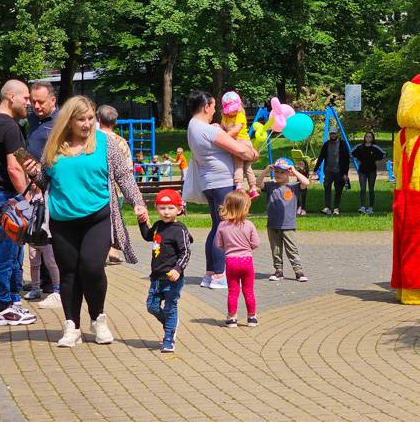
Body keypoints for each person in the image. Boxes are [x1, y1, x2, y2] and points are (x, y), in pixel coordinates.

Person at [24, 96, 148, 346]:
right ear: (69, 121)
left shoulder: (104, 142)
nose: (88, 124)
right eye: (82, 119)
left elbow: (124, 175)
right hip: (62, 220)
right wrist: (34, 173)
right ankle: (72, 327)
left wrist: (138, 201)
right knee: (68, 274)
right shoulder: (54, 146)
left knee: (91, 268)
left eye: (91, 118)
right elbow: (45, 182)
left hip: (97, 217)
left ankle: (98, 319)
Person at [186, 90, 258, 289]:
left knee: (216, 227)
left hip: (209, 181)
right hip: (222, 182)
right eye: (214, 107)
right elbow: (240, 149)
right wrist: (251, 152)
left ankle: (210, 274)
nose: (216, 111)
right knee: (225, 227)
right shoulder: (208, 130)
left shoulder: (193, 127)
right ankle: (219, 275)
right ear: (206, 107)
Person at [0, 80, 36, 325]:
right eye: (26, 99)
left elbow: (17, 154)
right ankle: (3, 307)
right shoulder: (10, 127)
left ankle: (12, 302)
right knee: (6, 254)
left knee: (9, 252)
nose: (29, 103)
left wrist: (37, 169)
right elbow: (14, 168)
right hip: (6, 197)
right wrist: (28, 197)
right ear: (12, 97)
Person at [139, 189, 192, 352]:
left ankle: (168, 339)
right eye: (162, 208)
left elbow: (186, 252)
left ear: (179, 210)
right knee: (151, 307)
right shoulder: (158, 226)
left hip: (172, 278)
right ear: (156, 209)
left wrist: (178, 268)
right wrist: (142, 222)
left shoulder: (180, 230)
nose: (166, 212)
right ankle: (170, 322)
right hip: (156, 277)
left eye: (170, 208)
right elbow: (148, 236)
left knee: (170, 307)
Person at [24, 81, 60, 303]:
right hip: (33, 183)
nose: (35, 106)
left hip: (51, 183)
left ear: (53, 100)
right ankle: (42, 283)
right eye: (33, 101)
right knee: (37, 235)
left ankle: (57, 284)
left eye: (41, 102)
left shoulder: (60, 122)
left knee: (51, 238)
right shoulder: (32, 118)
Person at [258, 158, 310, 282]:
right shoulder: (270, 186)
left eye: (282, 172)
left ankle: (299, 271)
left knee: (292, 249)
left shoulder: (294, 187)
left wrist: (294, 170)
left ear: (289, 174)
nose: (278, 174)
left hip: (288, 224)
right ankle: (278, 271)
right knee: (276, 249)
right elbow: (257, 183)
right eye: (276, 171)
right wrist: (266, 170)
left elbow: (306, 182)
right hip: (272, 224)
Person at [215, 190, 260, 327]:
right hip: (247, 261)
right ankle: (252, 317)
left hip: (231, 261)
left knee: (233, 291)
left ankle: (232, 317)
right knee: (249, 290)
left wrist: (229, 249)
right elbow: (256, 243)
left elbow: (219, 244)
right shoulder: (249, 225)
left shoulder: (222, 225)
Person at [98, 105, 132, 265]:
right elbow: (128, 169)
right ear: (115, 121)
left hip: (97, 187)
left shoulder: (94, 139)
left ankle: (102, 250)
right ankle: (111, 248)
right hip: (116, 189)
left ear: (98, 120)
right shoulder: (121, 142)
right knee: (114, 218)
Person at [220, 91, 259, 199]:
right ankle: (253, 189)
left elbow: (236, 130)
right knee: (247, 167)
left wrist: (225, 138)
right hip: (237, 142)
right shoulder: (225, 118)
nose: (234, 111)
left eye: (235, 108)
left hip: (242, 142)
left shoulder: (240, 115)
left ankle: (239, 186)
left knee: (238, 165)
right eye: (232, 109)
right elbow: (220, 129)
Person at [314, 126, 350, 215]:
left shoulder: (342, 144)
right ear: (329, 135)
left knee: (338, 189)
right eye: (331, 134)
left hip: (339, 171)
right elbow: (321, 157)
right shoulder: (326, 144)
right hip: (328, 170)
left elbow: (346, 159)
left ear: (337, 134)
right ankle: (327, 207)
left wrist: (345, 173)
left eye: (334, 133)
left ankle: (336, 208)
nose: (333, 135)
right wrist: (315, 169)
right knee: (327, 188)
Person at [350, 132, 387, 214]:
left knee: (371, 189)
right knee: (363, 189)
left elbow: (384, 153)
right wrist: (357, 159)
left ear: (372, 139)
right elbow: (350, 153)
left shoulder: (374, 147)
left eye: (370, 137)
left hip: (372, 171)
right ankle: (362, 206)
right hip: (362, 171)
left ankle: (370, 208)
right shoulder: (360, 147)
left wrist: (376, 159)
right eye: (366, 136)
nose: (368, 138)